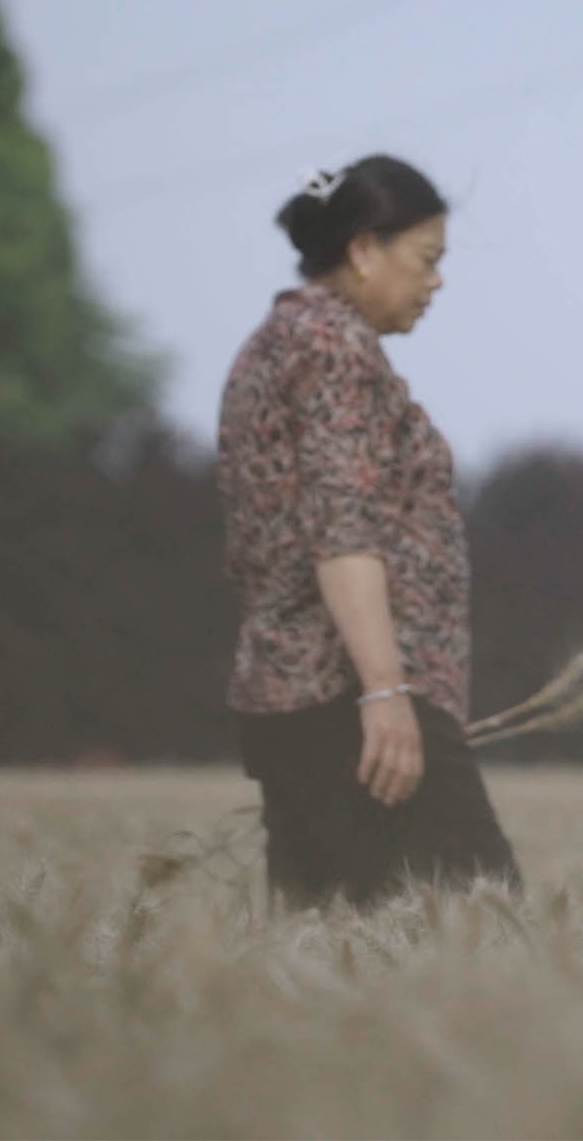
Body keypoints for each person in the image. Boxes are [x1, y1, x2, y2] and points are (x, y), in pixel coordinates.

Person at [217, 154, 519, 911]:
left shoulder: (279, 339)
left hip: (293, 697)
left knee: (326, 959)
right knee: (480, 927)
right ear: (362, 250)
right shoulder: (331, 349)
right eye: (426, 260)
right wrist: (387, 693)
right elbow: (341, 529)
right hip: (352, 705)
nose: (438, 281)